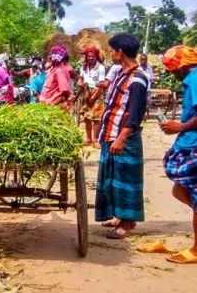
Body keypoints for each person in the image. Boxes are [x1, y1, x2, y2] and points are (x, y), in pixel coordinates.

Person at [95, 33, 148, 239]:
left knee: (126, 179)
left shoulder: (138, 79)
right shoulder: (122, 74)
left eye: (112, 50)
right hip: (110, 134)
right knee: (112, 178)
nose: (110, 54)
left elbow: (135, 113)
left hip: (123, 137)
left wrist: (122, 137)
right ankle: (119, 216)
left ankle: (127, 222)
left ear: (120, 52)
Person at [159, 46, 197, 263]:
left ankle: (196, 250)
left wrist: (180, 127)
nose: (172, 74)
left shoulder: (194, 79)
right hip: (188, 143)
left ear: (181, 66)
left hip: (194, 145)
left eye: (173, 70)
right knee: (179, 191)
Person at [72, 46, 106, 148]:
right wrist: (80, 82)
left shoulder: (100, 67)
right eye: (89, 56)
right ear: (86, 57)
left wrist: (94, 96)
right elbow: (81, 78)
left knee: (96, 118)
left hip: (96, 92)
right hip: (85, 92)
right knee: (86, 117)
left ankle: (95, 140)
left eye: (93, 56)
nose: (91, 58)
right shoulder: (84, 67)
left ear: (96, 57)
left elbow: (101, 84)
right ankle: (88, 138)